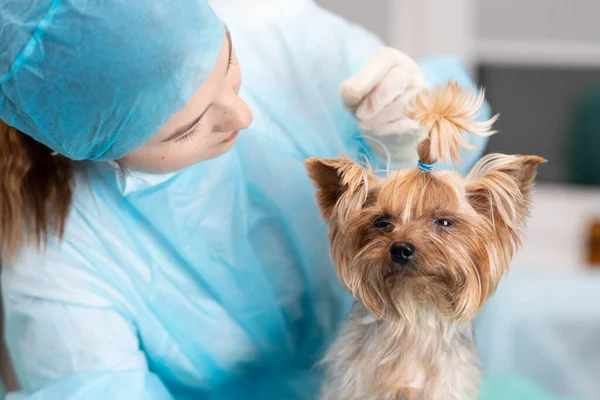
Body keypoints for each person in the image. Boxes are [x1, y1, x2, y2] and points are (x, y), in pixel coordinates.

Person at [0, 0, 490, 398]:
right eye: (186, 129)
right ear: (83, 146)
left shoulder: (276, 28)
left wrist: (422, 120)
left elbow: (463, 149)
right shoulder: (56, 264)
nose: (242, 113)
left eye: (228, 64)